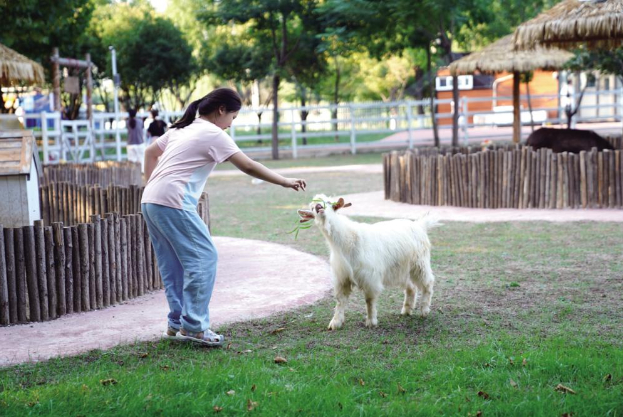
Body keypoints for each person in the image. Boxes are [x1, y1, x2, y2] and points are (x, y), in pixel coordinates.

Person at [141, 88, 306, 346]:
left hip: (151, 200)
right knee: (203, 257)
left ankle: (177, 323)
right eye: (233, 117)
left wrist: (153, 185)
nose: (231, 124)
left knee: (172, 264)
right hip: (173, 201)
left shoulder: (181, 128)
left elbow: (150, 153)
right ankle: (194, 327)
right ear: (221, 111)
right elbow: (248, 165)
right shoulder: (212, 133)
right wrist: (285, 181)